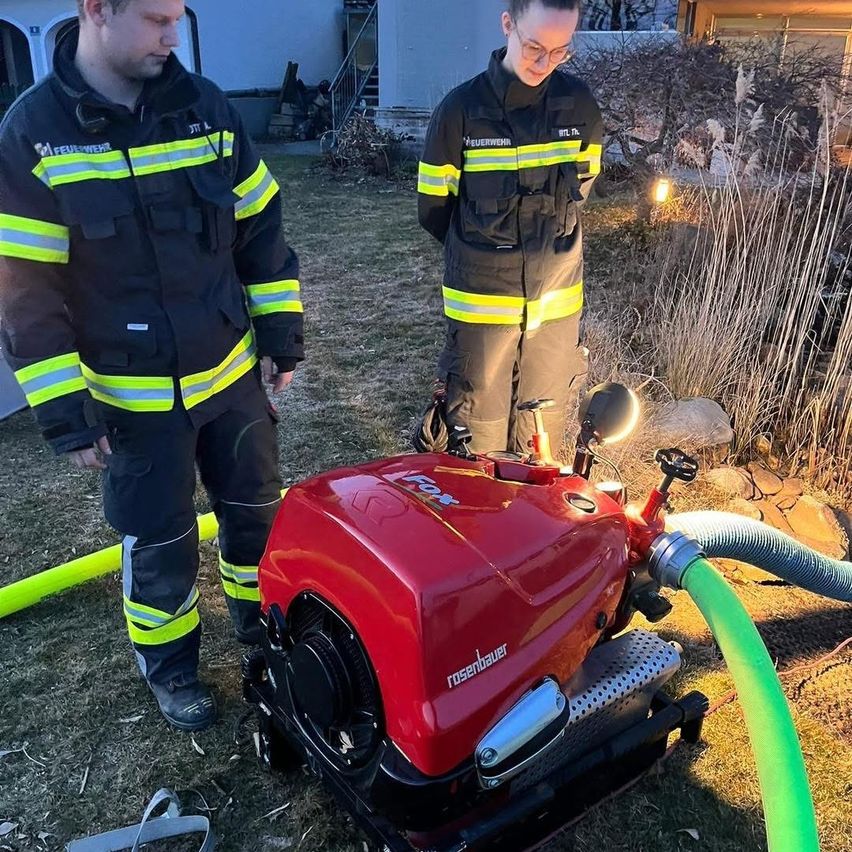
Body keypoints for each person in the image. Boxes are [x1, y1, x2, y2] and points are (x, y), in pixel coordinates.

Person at [0, 0, 304, 731]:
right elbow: (25, 291)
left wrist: (280, 333)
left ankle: (261, 631)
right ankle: (172, 670)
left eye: (177, 16)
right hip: (132, 401)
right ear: (96, 10)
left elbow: (260, 228)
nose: (173, 35)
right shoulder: (33, 133)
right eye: (156, 19)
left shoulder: (206, 109)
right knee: (161, 542)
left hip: (230, 379)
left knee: (256, 517)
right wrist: (65, 413)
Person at [417, 0, 602, 456]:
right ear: (507, 25)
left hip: (555, 309)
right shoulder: (460, 112)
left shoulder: (579, 107)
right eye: (534, 47)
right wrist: (482, 255)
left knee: (542, 438)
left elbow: (582, 185)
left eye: (560, 51)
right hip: (482, 310)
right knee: (476, 439)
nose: (544, 63)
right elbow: (434, 208)